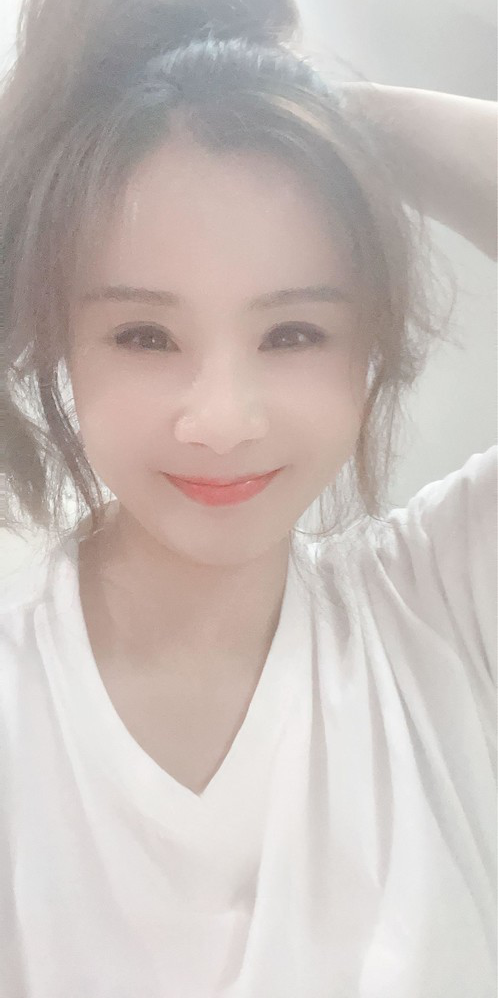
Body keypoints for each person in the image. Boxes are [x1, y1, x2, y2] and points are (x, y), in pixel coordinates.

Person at [1, 1, 496, 995]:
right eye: (145, 336)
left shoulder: (448, 605)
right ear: (60, 338)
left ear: (371, 342)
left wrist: (328, 116)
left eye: (293, 333)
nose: (222, 419)